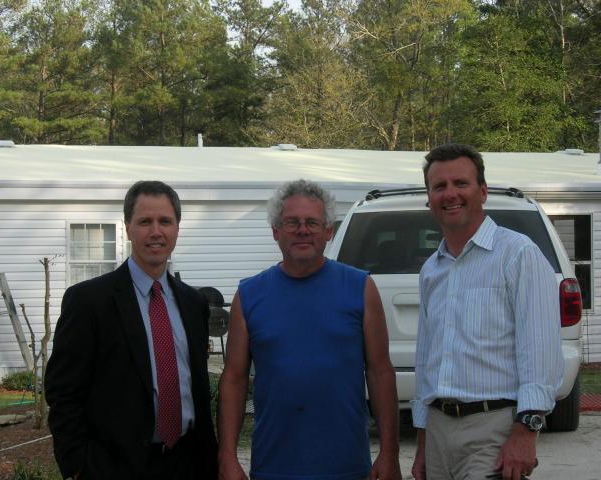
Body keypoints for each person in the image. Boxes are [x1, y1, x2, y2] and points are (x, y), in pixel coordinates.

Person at [218, 179, 402, 480]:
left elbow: (381, 371)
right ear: (275, 230)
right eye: (292, 222)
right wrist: (226, 457)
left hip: (347, 466)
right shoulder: (249, 295)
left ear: (328, 231)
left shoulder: (360, 288)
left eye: (313, 223)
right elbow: (234, 380)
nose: (303, 230)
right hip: (274, 466)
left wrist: (389, 453)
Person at [45, 180, 218, 480]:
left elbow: (197, 390)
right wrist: (76, 467)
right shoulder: (89, 301)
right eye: (144, 222)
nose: (156, 232)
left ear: (177, 227)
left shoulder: (193, 302)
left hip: (189, 463)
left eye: (165, 221)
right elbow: (63, 393)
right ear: (127, 227)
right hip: (115, 467)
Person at [411, 144, 564, 480]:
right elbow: (426, 361)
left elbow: (539, 350)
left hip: (492, 432)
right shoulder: (431, 271)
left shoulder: (518, 254)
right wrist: (423, 443)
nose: (450, 194)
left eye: (460, 183)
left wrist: (527, 432)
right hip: (437, 431)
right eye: (439, 187)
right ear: (429, 198)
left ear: (482, 191)